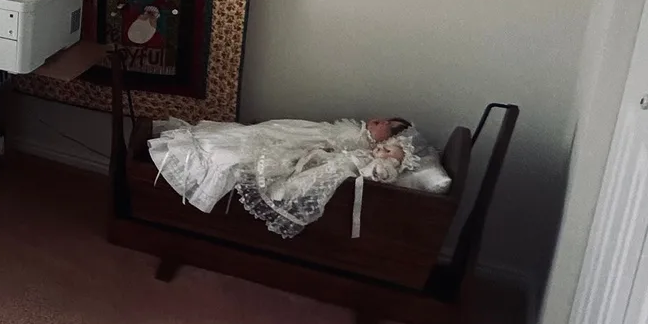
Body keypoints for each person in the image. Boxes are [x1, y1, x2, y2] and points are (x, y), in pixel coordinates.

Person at [147, 115, 444, 238]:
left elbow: (334, 147)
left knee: (253, 147)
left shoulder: (365, 146)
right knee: (256, 131)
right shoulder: (359, 131)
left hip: (310, 142)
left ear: (387, 139)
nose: (374, 121)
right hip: (306, 132)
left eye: (382, 124)